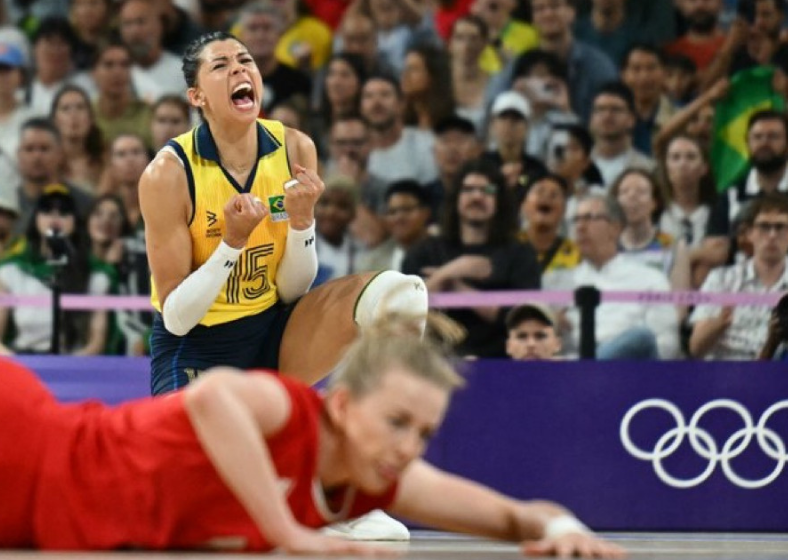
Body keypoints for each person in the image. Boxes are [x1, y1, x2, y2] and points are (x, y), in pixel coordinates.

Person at [0, 320, 624, 557]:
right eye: (398, 422)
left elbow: (516, 516)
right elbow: (214, 396)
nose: (410, 447)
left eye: (425, 433)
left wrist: (566, 533)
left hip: (34, 523)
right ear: (345, 405)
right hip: (29, 443)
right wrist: (290, 533)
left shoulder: (376, 478)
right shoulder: (288, 408)